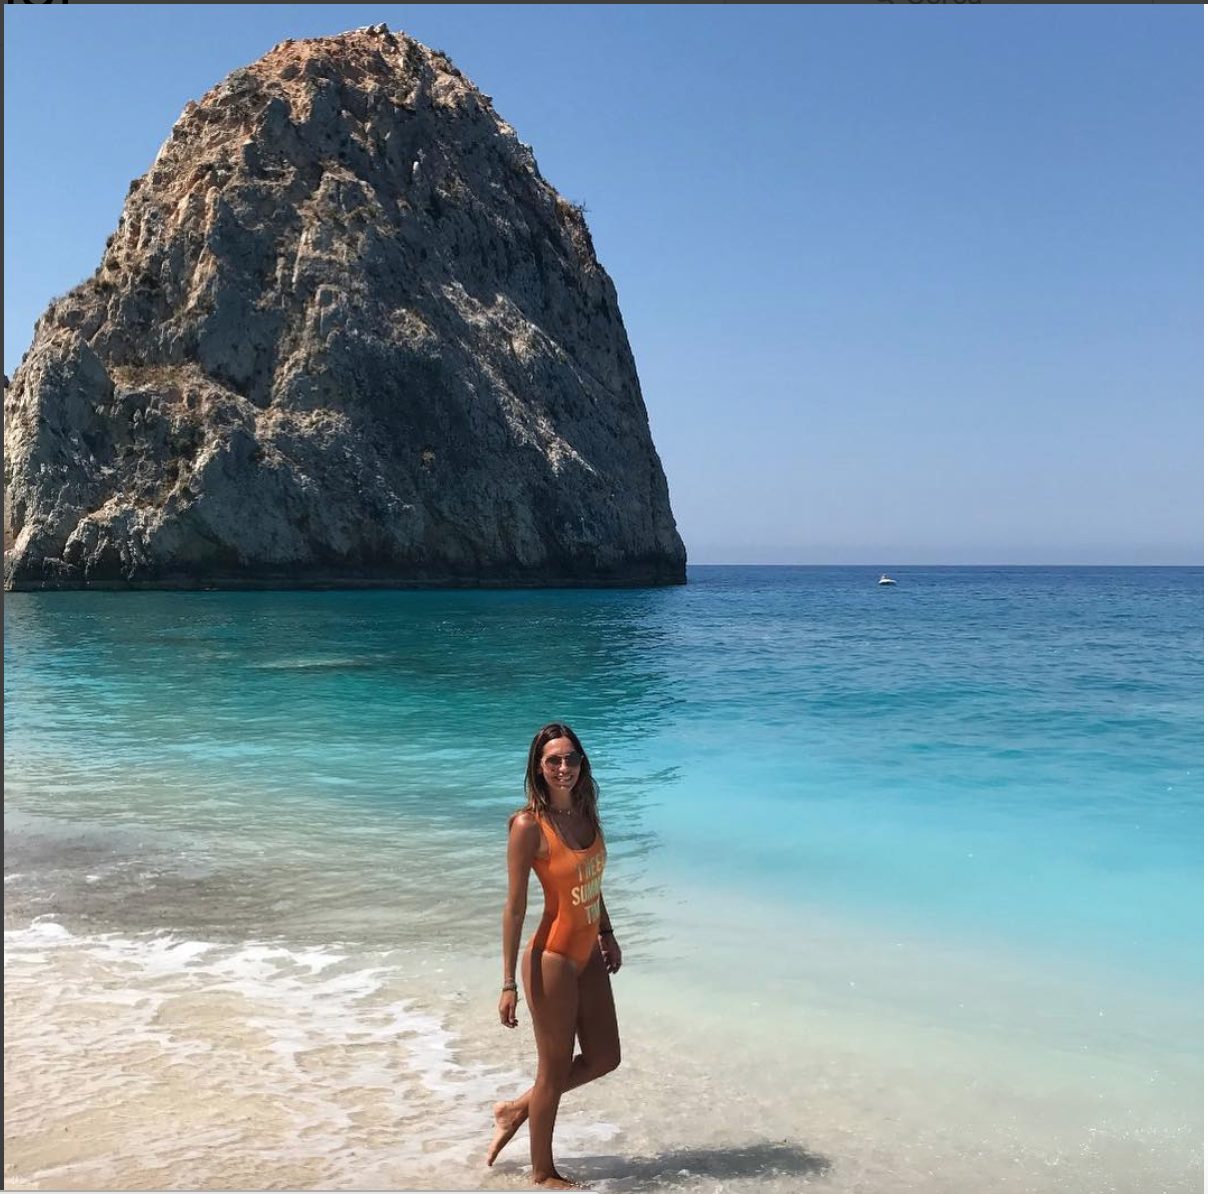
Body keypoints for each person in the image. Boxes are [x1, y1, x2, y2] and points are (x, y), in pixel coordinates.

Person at [486, 722, 623, 1188]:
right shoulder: (528, 826)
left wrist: (607, 932)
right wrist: (508, 982)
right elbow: (514, 907)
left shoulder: (586, 811)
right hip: (552, 957)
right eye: (553, 761)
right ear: (538, 768)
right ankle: (543, 1174)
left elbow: (592, 879)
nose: (564, 768)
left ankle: (517, 1109)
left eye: (571, 758)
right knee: (553, 1068)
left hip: (589, 951)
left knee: (605, 1057)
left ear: (582, 763)